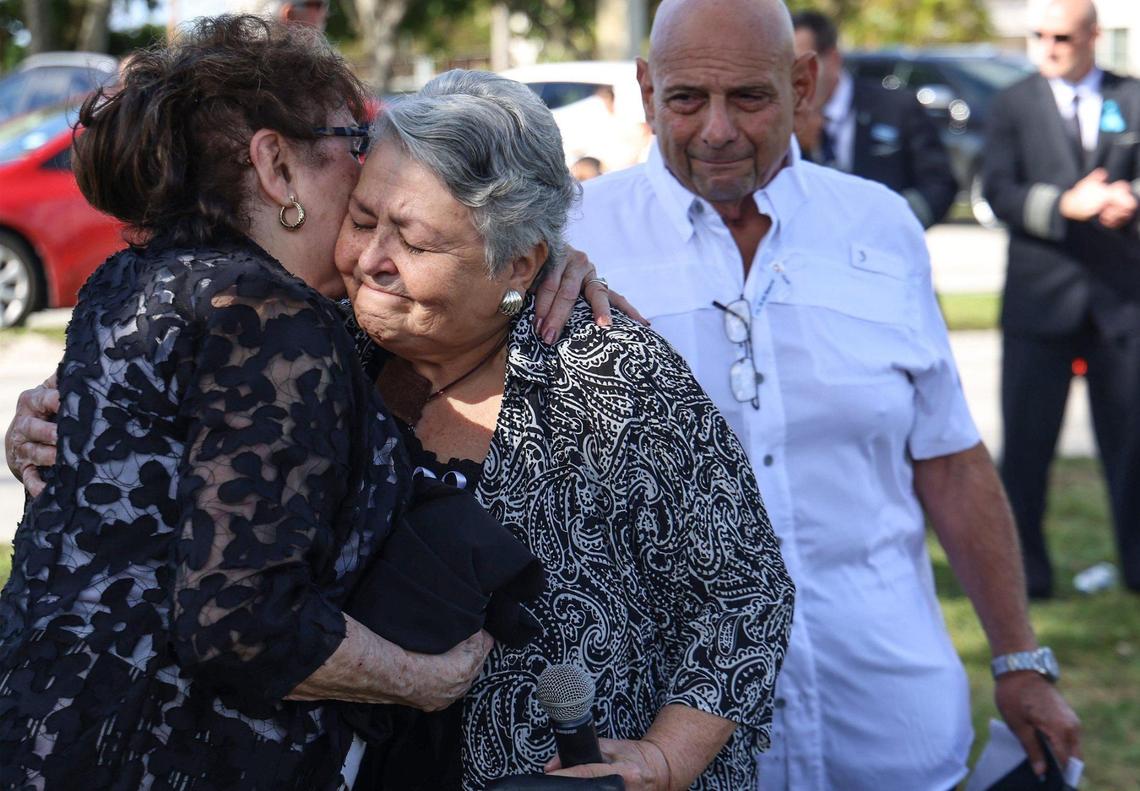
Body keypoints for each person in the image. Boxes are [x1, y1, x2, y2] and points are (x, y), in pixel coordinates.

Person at [0, 17, 614, 789]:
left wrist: (544, 263)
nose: (368, 165)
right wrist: (421, 679)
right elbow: (239, 620)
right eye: (352, 141)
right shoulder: (271, 316)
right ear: (276, 166)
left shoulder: (126, 283)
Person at [564, 0, 1081, 788]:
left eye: (749, 97)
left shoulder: (879, 224)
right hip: (680, 726)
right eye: (686, 99)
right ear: (645, 89)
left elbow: (948, 456)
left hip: (887, 711)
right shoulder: (574, 237)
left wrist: (1018, 658)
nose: (717, 130)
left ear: (802, 83)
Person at [336, 70, 794, 789]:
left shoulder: (612, 374)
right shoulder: (328, 353)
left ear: (517, 263)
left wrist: (668, 757)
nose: (369, 261)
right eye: (362, 221)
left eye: (414, 242)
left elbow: (744, 592)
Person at [983, 0, 1140, 597]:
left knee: (1131, 447)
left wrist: (1131, 198)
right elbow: (998, 190)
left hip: (1120, 300)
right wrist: (1061, 206)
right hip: (1039, 301)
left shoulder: (1132, 96)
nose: (1049, 47)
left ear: (1094, 37)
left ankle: (1136, 571)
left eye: (1063, 37)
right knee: (1025, 450)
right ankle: (1029, 576)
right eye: (1039, 35)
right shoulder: (1013, 103)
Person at [791, 9, 958, 228]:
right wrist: (800, 149)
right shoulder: (783, 118)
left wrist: (892, 223)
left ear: (832, 59)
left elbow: (939, 184)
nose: (794, 77)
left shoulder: (896, 107)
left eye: (802, 64)